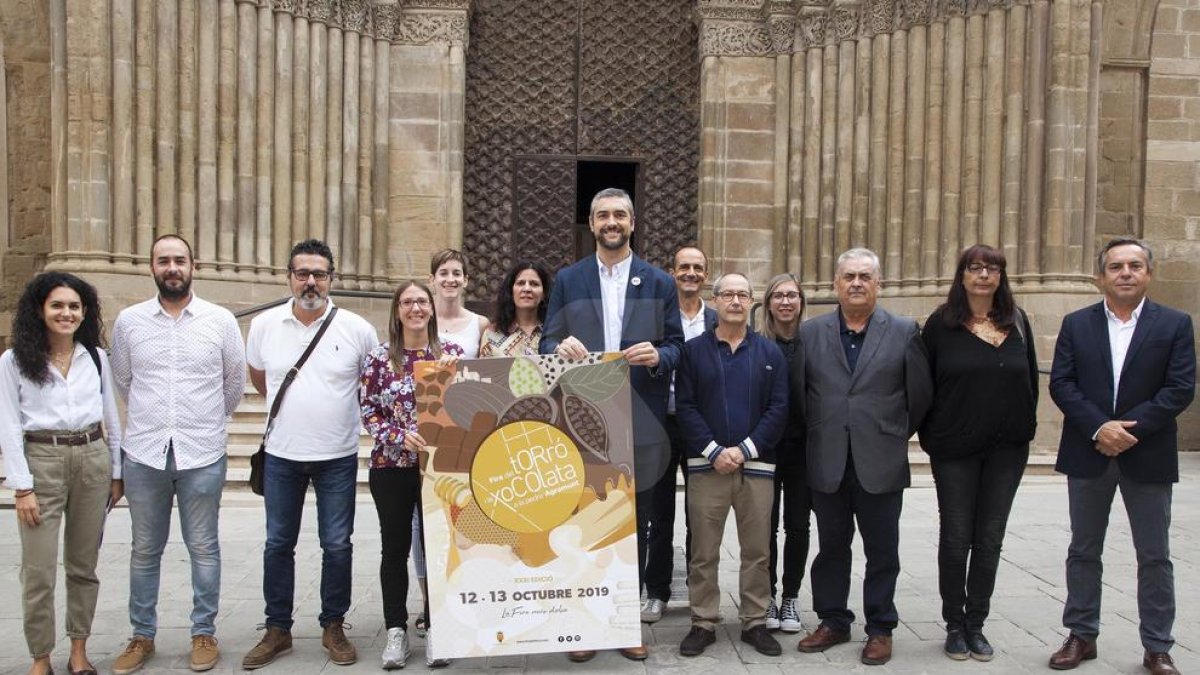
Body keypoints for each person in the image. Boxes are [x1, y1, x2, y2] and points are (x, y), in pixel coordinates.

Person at [540, 187, 684, 662]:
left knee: (633, 524)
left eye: (620, 214)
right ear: (591, 222)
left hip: (639, 420)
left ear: (633, 222)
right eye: (603, 215)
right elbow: (548, 341)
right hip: (583, 420)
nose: (611, 222)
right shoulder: (569, 279)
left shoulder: (659, 282)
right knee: (583, 520)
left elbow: (678, 346)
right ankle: (583, 628)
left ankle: (624, 623)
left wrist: (659, 355)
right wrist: (559, 349)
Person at [1048, 238, 1195, 675]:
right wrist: (1100, 427)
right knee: (1083, 549)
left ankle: (1157, 646)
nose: (1125, 272)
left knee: (1154, 554)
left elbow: (1180, 386)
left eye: (1134, 265)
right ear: (1101, 277)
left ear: (1148, 274)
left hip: (1146, 453)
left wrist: (1130, 430)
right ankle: (1081, 634)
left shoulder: (1174, 324)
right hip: (1089, 450)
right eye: (1116, 266)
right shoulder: (1077, 323)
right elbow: (1062, 383)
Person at [109, 234, 247, 674]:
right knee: (144, 549)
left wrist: (203, 422)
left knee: (204, 547)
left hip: (202, 451)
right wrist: (158, 421)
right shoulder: (129, 322)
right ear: (152, 267)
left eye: (179, 260)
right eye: (163, 261)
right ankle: (141, 636)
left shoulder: (220, 320)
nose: (172, 268)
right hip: (145, 452)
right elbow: (123, 381)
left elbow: (233, 384)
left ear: (194, 265)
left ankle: (203, 632)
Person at [241, 239, 378, 669]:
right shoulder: (265, 324)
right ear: (289, 278)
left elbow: (367, 385)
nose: (311, 281)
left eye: (319, 274)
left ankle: (333, 626)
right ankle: (277, 628)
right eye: (303, 273)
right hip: (282, 454)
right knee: (278, 543)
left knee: (337, 545)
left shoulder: (357, 328)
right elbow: (260, 378)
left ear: (331, 279)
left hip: (337, 455)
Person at [797, 248, 932, 666]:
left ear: (879, 284)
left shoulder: (905, 330)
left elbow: (920, 396)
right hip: (828, 458)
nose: (856, 283)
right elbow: (801, 395)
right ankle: (833, 620)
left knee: (882, 550)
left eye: (865, 277)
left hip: (881, 459)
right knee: (832, 546)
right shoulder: (810, 332)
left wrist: (890, 434)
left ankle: (880, 628)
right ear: (836, 284)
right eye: (849, 276)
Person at [919, 245, 1038, 662]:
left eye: (992, 269)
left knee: (989, 539)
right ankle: (954, 624)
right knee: (956, 538)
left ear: (1001, 277)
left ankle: (977, 624)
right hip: (954, 450)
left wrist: (1025, 429)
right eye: (975, 268)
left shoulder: (1017, 322)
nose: (984, 275)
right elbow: (923, 385)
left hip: (1006, 450)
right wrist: (932, 434)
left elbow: (1031, 386)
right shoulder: (942, 325)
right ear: (962, 276)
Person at [0, 271, 123, 675]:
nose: (66, 313)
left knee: (83, 565)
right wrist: (21, 487)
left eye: (74, 306)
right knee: (37, 570)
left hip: (91, 458)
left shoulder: (96, 357)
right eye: (57, 305)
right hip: (42, 460)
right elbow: (8, 424)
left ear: (84, 312)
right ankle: (40, 658)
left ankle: (79, 651)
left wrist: (116, 472)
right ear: (40, 310)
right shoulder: (14, 360)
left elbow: (111, 418)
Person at [675, 273, 788, 658]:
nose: (736, 301)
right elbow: (685, 407)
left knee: (757, 550)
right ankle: (703, 622)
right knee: (703, 550)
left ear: (753, 301)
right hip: (706, 467)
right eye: (728, 294)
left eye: (743, 294)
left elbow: (779, 408)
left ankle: (755, 621)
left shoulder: (770, 353)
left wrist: (744, 449)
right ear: (716, 300)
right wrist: (712, 450)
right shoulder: (693, 352)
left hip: (757, 468)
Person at [361, 280, 462, 670]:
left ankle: (437, 627)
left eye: (422, 301)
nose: (415, 308)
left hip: (439, 469)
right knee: (395, 548)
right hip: (392, 467)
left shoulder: (450, 355)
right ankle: (396, 631)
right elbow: (368, 410)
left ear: (432, 308)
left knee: (440, 549)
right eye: (407, 302)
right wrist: (399, 436)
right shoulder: (379, 358)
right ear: (397, 310)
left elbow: (461, 406)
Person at [641, 245, 716, 624]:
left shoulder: (717, 319)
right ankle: (656, 593)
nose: (690, 273)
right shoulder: (657, 317)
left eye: (697, 268)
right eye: (684, 267)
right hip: (660, 423)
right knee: (660, 512)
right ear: (672, 272)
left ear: (706, 274)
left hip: (701, 428)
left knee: (700, 513)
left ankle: (699, 591)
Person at [759, 272, 809, 634]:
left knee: (797, 525)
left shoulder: (816, 343)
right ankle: (768, 597)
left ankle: (790, 595)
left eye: (792, 295)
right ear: (768, 303)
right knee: (764, 527)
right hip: (765, 448)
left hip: (804, 450)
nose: (786, 302)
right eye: (778, 295)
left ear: (801, 302)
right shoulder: (757, 344)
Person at [478, 260, 552, 357]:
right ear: (511, 291)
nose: (527, 289)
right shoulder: (492, 334)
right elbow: (484, 371)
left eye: (534, 284)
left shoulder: (555, 334)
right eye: (521, 283)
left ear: (543, 294)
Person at [430, 249, 490, 359]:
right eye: (443, 273)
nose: (450, 279)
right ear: (432, 279)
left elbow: (486, 369)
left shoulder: (480, 324)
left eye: (456, 274)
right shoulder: (420, 321)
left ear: (465, 280)